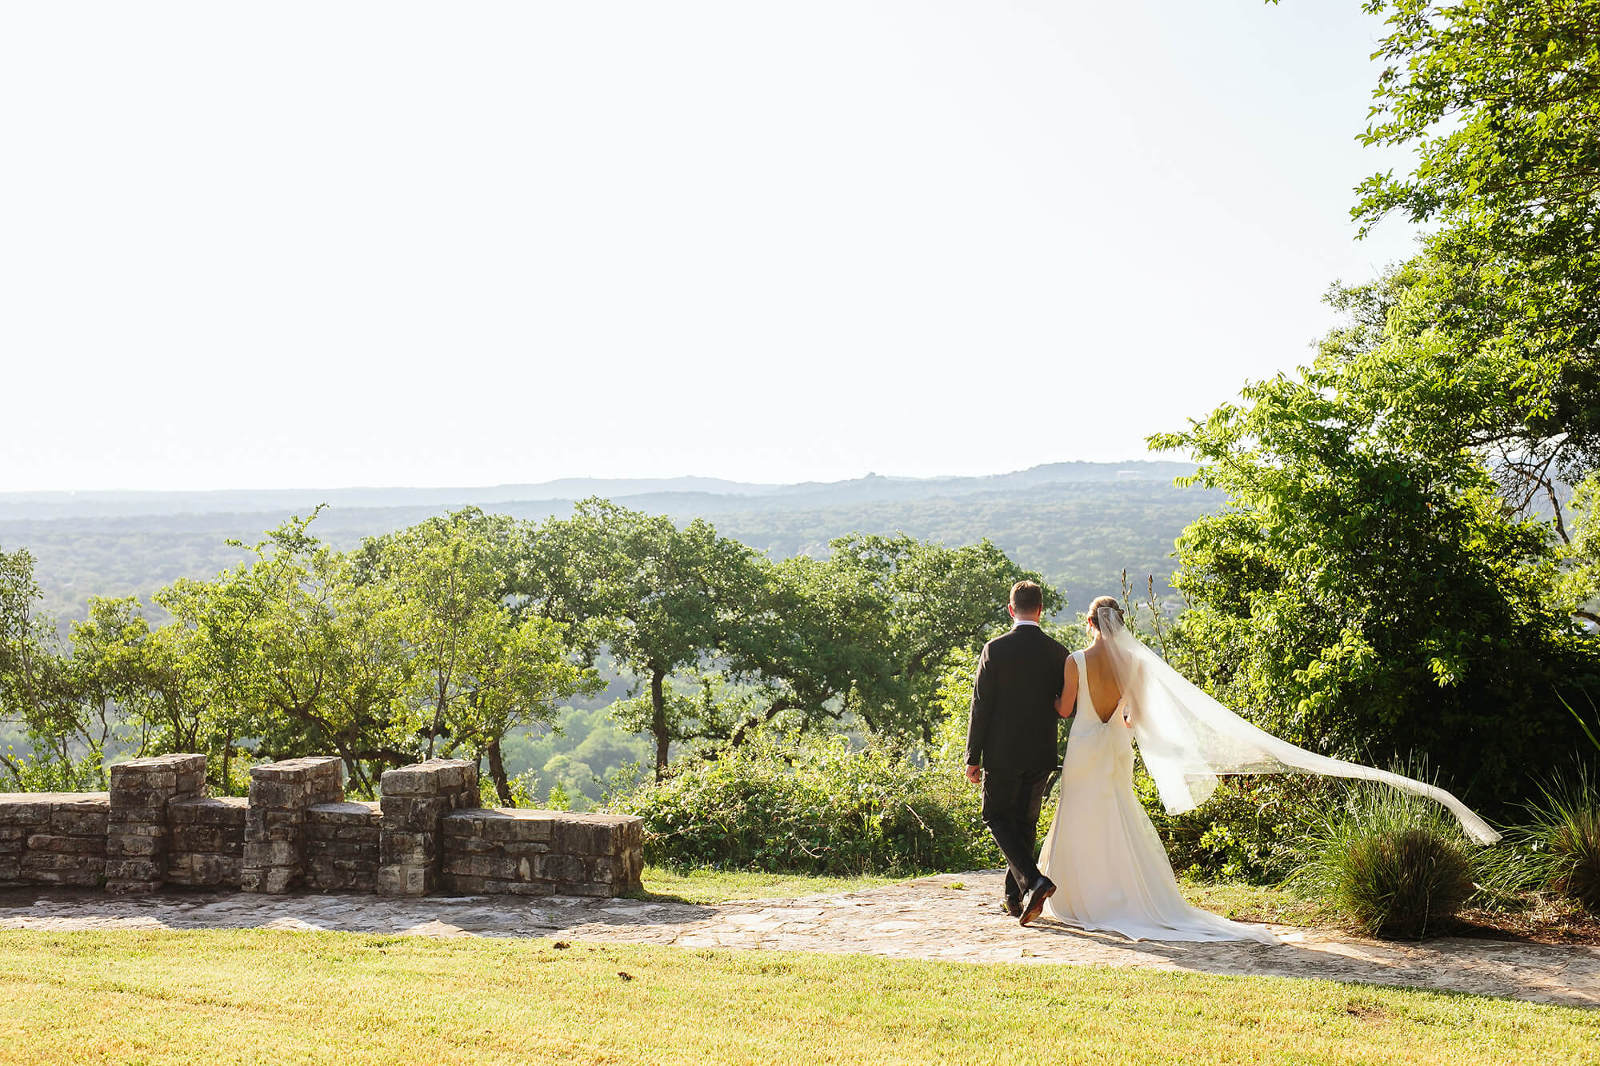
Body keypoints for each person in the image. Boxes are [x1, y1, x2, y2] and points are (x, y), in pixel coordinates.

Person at [1035, 595, 1499, 943]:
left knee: (1078, 815)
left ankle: (1076, 897)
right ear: (1119, 623)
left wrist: (1050, 698)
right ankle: (1122, 895)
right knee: (1118, 818)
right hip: (1116, 747)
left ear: (1090, 623)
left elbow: (1065, 710)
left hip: (1085, 748)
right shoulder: (1135, 664)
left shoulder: (1076, 661)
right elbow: (1135, 716)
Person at [965, 580, 1069, 926]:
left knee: (995, 816)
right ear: (1041, 610)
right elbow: (1063, 704)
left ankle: (1034, 882)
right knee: (1024, 823)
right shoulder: (1058, 652)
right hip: (1041, 752)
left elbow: (981, 706)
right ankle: (1014, 898)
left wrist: (972, 756)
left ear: (1012, 610)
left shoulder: (995, 649)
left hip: (1002, 752)